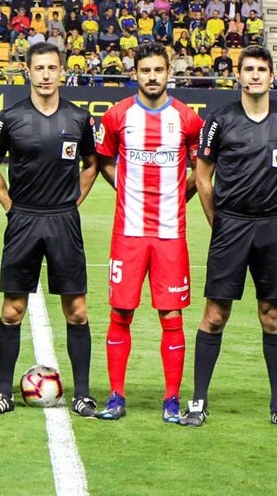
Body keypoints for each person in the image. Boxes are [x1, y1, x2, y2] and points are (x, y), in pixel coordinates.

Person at [183, 45, 277, 430]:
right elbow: (202, 176)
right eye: (249, 69)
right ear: (238, 75)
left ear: (272, 76)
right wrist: (216, 221)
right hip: (231, 227)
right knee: (215, 315)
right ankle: (198, 401)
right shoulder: (220, 120)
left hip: (272, 227)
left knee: (272, 316)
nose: (255, 75)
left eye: (262, 70)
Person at [0, 43, 100, 417]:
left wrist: (72, 201)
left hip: (63, 221)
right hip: (24, 220)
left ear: (62, 71)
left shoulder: (79, 119)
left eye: (52, 68)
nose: (46, 75)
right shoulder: (9, 118)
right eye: (39, 68)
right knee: (12, 310)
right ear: (27, 72)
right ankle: (2, 393)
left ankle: (82, 394)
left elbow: (92, 164)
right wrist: (9, 204)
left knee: (76, 311)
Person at [93, 43, 204, 423]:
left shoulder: (188, 119)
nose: (152, 76)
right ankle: (116, 396)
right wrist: (124, 188)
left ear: (168, 71)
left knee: (171, 316)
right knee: (120, 311)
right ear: (135, 73)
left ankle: (171, 398)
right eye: (145, 70)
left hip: (171, 234)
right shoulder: (117, 116)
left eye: (159, 70)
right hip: (129, 232)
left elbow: (201, 169)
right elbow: (104, 160)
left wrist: (180, 195)